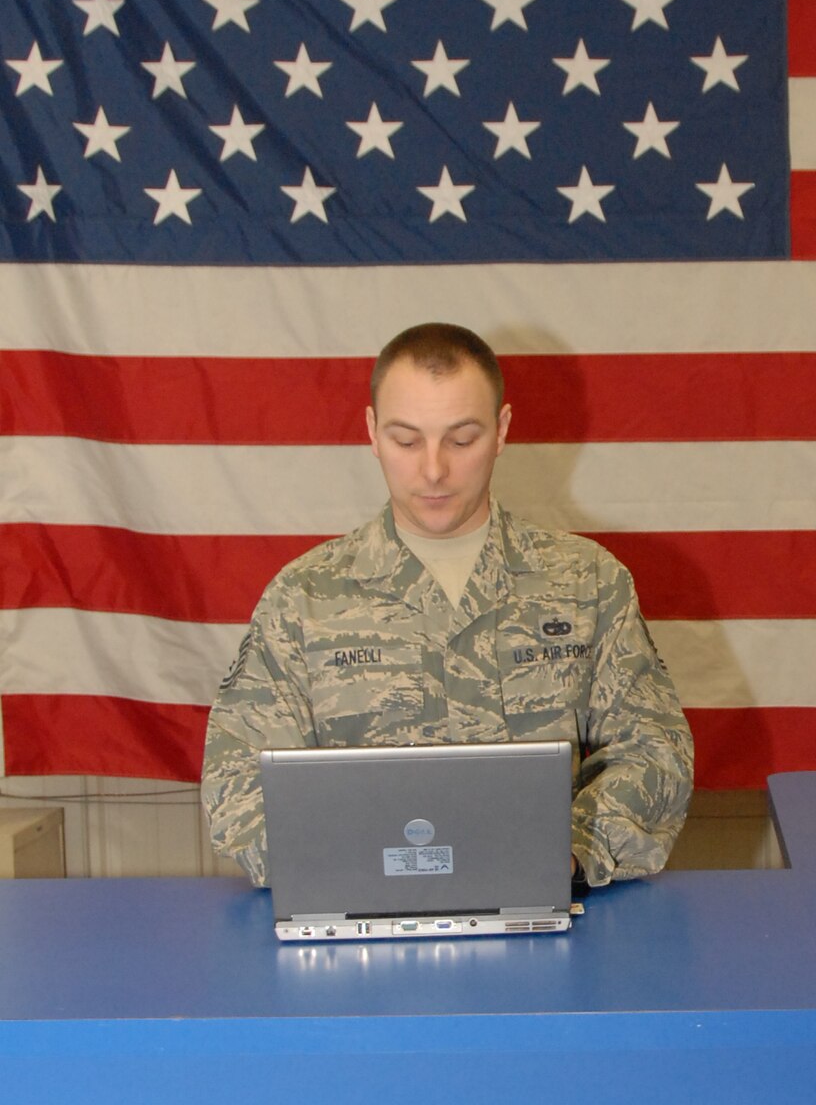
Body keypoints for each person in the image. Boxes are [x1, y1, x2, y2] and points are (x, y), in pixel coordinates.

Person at [201, 323, 693, 888]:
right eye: (406, 441)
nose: (433, 470)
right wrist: (354, 863)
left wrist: (569, 848)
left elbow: (655, 751)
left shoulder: (588, 584)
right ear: (371, 431)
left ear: (502, 430)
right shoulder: (305, 600)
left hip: (545, 914)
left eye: (461, 440)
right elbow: (235, 776)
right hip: (361, 927)